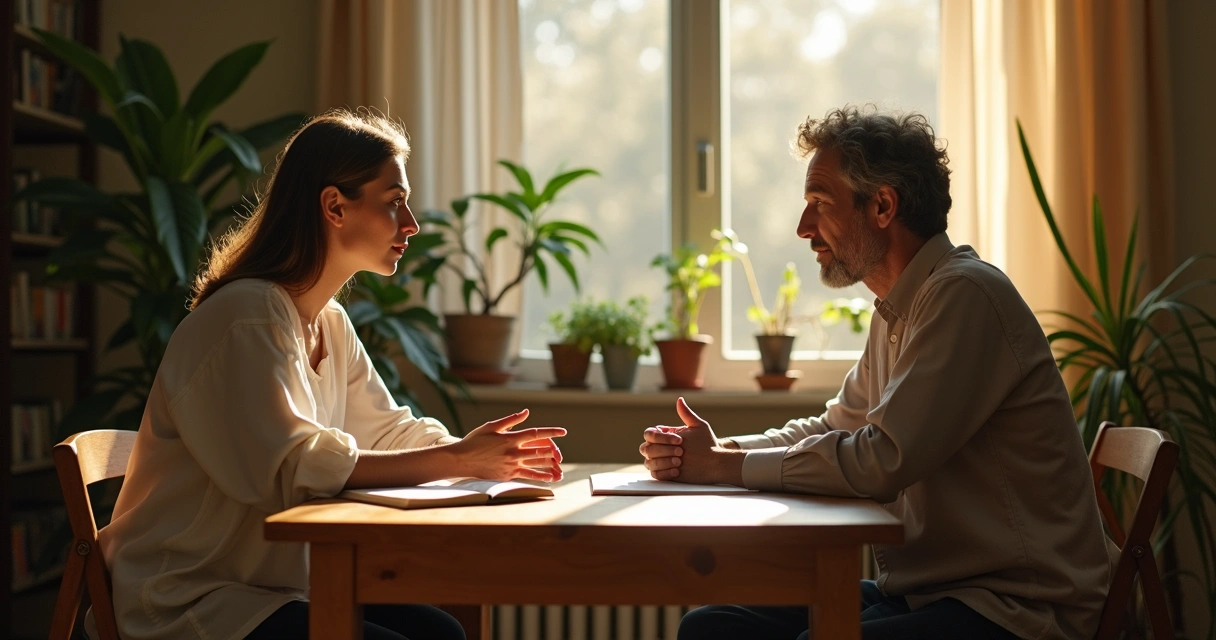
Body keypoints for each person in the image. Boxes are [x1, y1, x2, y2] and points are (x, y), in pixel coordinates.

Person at [638, 106, 1112, 640]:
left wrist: (724, 469)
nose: (803, 228)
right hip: (934, 594)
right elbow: (835, 427)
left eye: (819, 203)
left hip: (1018, 608)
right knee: (714, 628)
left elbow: (881, 459)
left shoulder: (964, 296)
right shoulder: (899, 309)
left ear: (883, 205)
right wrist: (719, 450)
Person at [98, 109, 566, 640]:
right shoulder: (246, 316)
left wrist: (482, 459)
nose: (411, 222)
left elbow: (389, 432)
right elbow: (293, 468)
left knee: (444, 633)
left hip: (273, 588)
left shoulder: (327, 322)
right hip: (192, 599)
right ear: (334, 207)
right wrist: (460, 459)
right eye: (394, 203)